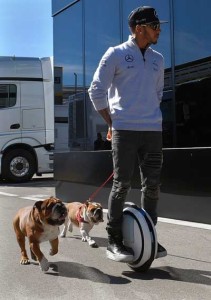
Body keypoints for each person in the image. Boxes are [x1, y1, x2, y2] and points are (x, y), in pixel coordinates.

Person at [88, 6, 168, 262]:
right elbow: (96, 90)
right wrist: (112, 122)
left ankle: (150, 237)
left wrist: (149, 116)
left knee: (152, 185)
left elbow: (157, 94)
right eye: (155, 26)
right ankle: (114, 241)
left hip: (153, 131)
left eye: (159, 26)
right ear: (138, 28)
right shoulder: (116, 54)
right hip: (125, 130)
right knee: (121, 184)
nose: (159, 30)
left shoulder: (158, 58)